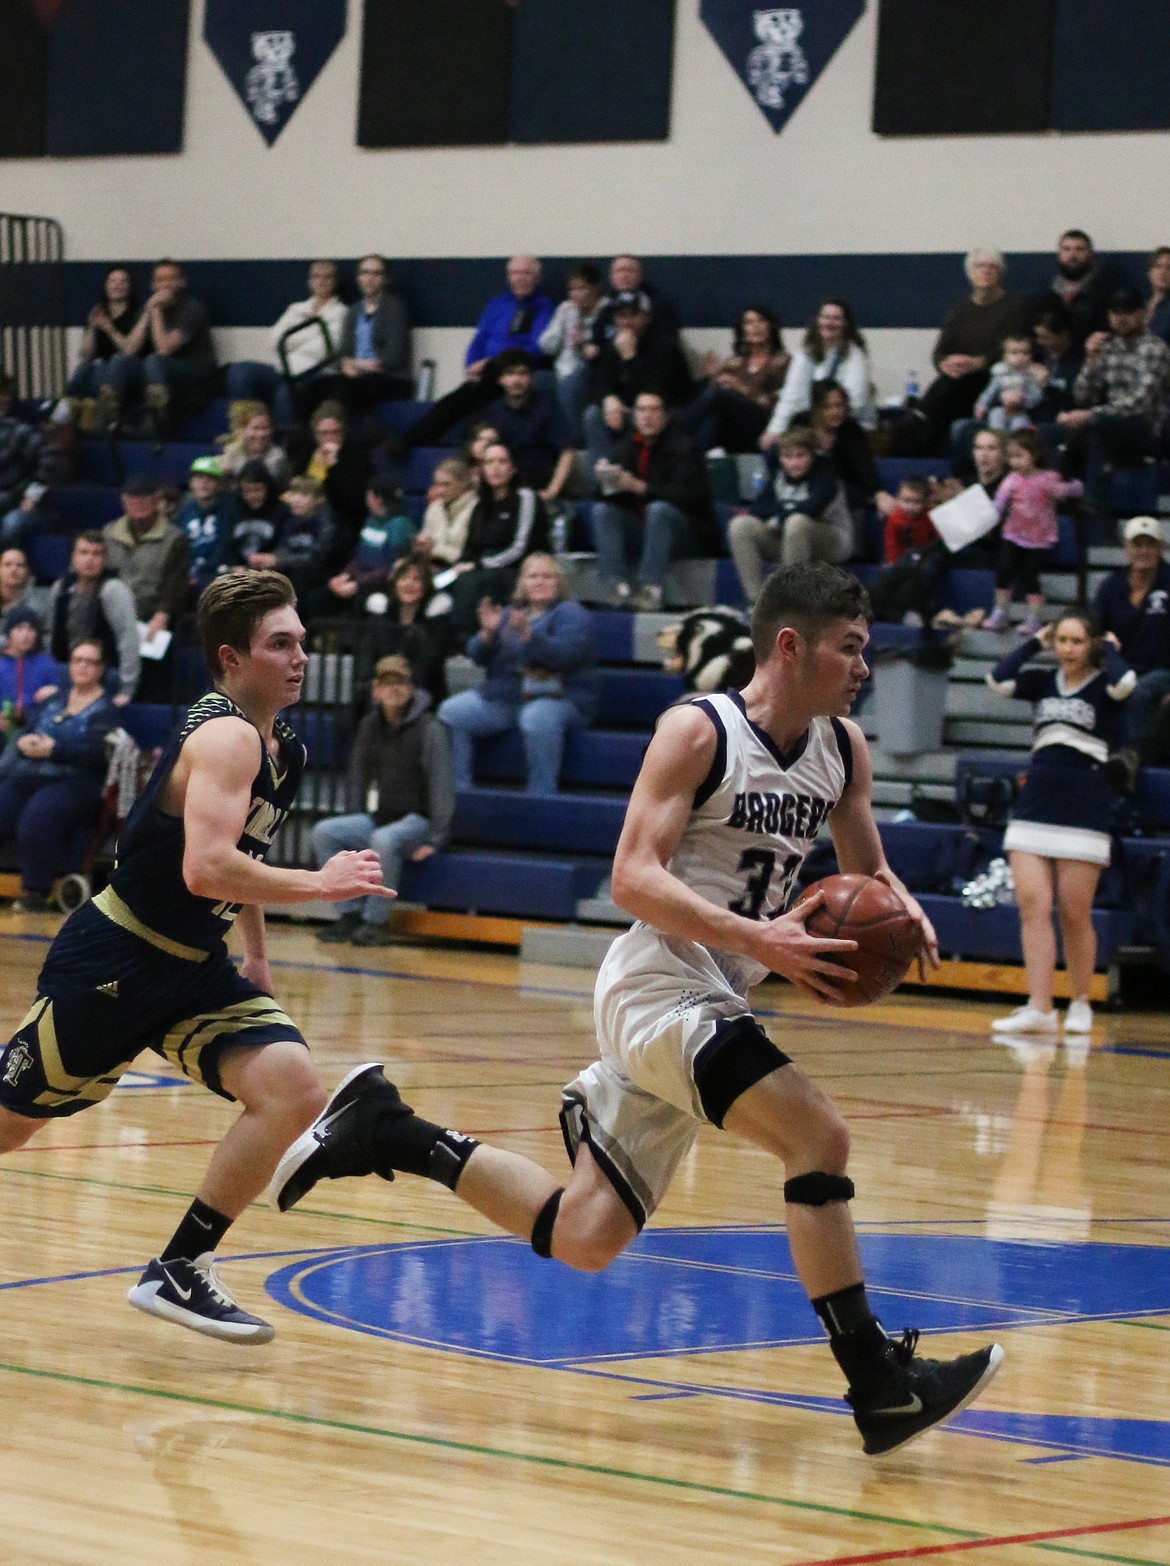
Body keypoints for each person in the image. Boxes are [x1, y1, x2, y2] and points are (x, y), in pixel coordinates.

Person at [271, 561, 1004, 1458]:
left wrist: (903, 902)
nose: (863, 666)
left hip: (718, 995)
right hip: (656, 984)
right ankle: (879, 1384)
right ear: (790, 645)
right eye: (849, 648)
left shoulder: (842, 747)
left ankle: (388, 1131)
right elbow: (633, 876)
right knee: (819, 1139)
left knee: (584, 1235)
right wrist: (759, 935)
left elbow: (866, 869)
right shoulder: (698, 732)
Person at [0, 571, 391, 1341]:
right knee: (10, 1129)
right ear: (231, 657)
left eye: (302, 641)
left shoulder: (282, 747)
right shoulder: (225, 737)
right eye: (280, 643)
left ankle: (180, 1269)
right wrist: (320, 883)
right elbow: (205, 867)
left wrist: (256, 956)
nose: (299, 657)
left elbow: (238, 860)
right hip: (115, 959)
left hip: (190, 965)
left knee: (291, 1086)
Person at [986, 613, 1134, 1037]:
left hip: (1084, 807)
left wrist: (1112, 652)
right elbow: (997, 679)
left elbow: (1126, 685)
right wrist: (1035, 642)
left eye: (1077, 641)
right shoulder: (1041, 682)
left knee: (1074, 913)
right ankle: (1040, 1007)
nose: (1068, 648)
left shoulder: (1106, 687)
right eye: (1062, 640)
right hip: (1035, 806)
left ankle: (1081, 1000)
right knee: (1033, 907)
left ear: (1091, 645)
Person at [312, 653, 453, 947]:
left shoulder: (431, 729)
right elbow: (357, 777)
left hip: (418, 820)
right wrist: (355, 814)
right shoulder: (368, 725)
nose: (394, 689)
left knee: (384, 840)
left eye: (401, 682)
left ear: (412, 687)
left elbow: (442, 787)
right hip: (378, 817)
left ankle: (376, 922)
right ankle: (348, 914)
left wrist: (436, 839)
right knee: (325, 832)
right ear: (376, 690)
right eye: (387, 682)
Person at [438, 553, 596, 793]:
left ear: (558, 582)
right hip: (511, 696)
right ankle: (460, 792)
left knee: (536, 717)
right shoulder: (513, 612)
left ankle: (541, 796)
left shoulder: (572, 614)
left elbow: (567, 655)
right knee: (452, 712)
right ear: (523, 582)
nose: (539, 582)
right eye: (533, 576)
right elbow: (477, 656)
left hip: (562, 696)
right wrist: (487, 634)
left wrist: (530, 637)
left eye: (547, 576)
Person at [0, 637, 116, 911]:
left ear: (101, 669)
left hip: (80, 781)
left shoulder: (106, 710)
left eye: (91, 662)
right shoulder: (54, 699)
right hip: (35, 774)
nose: (83, 666)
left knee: (40, 813)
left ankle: (36, 893)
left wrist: (56, 749)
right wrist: (22, 741)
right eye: (78, 660)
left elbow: (100, 754)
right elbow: (29, 726)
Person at [885, 250, 1024, 457]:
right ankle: (916, 444)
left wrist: (979, 362)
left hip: (993, 382)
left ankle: (912, 426)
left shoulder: (1013, 309)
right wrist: (945, 363)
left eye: (991, 266)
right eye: (980, 266)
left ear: (1000, 273)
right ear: (970, 273)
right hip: (958, 379)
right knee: (947, 385)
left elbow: (1013, 349)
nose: (985, 271)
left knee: (945, 392)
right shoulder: (960, 310)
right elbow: (939, 352)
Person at [591, 390, 716, 611]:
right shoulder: (624, 447)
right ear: (634, 415)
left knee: (658, 511)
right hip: (643, 532)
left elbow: (689, 497)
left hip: (685, 534)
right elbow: (605, 498)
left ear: (666, 415)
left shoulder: (686, 447)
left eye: (654, 410)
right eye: (641, 410)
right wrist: (606, 482)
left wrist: (640, 487)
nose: (647, 416)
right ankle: (616, 587)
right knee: (602, 511)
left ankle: (650, 589)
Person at [1057, 286, 1170, 523]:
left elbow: (1140, 403)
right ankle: (1058, 500)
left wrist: (1090, 415)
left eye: (1128, 312)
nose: (1120, 318)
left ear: (1141, 314)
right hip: (1108, 427)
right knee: (1051, 432)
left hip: (1145, 431)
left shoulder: (1155, 348)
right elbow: (1082, 396)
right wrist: (1090, 358)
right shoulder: (1106, 346)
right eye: (1115, 312)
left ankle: (1092, 507)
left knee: (1098, 423)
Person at [729, 430, 851, 605]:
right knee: (740, 525)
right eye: (788, 457)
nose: (794, 463)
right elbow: (758, 509)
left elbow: (813, 507)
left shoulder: (825, 473)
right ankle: (756, 602)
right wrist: (780, 515)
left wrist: (780, 516)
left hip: (832, 538)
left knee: (797, 521)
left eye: (800, 456)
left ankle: (790, 603)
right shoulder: (777, 475)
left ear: (812, 455)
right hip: (789, 536)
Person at [1091, 516, 1170, 780]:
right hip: (1120, 668)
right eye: (1138, 545)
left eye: (1150, 545)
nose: (1143, 551)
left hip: (1162, 671)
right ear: (1126, 547)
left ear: (1163, 547)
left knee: (1140, 692)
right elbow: (1094, 629)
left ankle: (1136, 766)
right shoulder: (1111, 586)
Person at [983, 429, 1082, 636]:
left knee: (1031, 576)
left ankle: (1034, 617)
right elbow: (998, 505)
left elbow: (1078, 488)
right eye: (1011, 457)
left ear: (1034, 455)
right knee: (1003, 569)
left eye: (1020, 456)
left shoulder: (1048, 478)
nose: (1015, 462)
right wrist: (986, 522)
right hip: (1013, 534)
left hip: (1038, 539)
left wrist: (1065, 490)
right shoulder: (1011, 480)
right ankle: (1001, 611)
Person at [100, 259, 216, 434]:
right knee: (119, 361)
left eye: (170, 279)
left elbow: (165, 349)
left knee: (155, 360)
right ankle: (111, 422)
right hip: (158, 372)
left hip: (194, 374)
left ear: (181, 282)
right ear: (153, 284)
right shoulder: (150, 306)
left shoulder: (192, 309)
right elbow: (129, 349)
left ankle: (156, 422)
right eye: (160, 280)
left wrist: (156, 311)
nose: (165, 284)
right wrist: (148, 313)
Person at [226, 259, 347, 424]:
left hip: (317, 374)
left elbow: (324, 349)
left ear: (335, 282)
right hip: (282, 370)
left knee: (285, 393)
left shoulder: (341, 312)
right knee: (239, 372)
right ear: (310, 282)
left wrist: (290, 341)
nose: (321, 281)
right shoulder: (296, 308)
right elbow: (275, 340)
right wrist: (313, 332)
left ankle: (284, 443)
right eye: (316, 276)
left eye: (327, 277)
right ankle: (248, 429)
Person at [102, 475, 191, 698]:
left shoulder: (175, 538)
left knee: (155, 667)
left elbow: (176, 584)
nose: (139, 506)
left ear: (156, 501)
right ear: (124, 502)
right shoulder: (109, 534)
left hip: (151, 616)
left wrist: (163, 614)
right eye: (133, 500)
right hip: (112, 617)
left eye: (145, 500)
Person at [447, 440, 548, 635]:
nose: (495, 468)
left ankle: (466, 641)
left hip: (516, 569)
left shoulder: (525, 498)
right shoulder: (480, 505)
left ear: (513, 468)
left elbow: (520, 548)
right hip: (481, 567)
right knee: (438, 581)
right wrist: (458, 566)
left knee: (470, 581)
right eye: (489, 462)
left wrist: (479, 565)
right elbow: (470, 548)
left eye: (502, 462)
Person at [585, 293, 693, 468]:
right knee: (593, 415)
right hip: (626, 411)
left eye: (632, 315)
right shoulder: (614, 345)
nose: (626, 322)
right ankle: (602, 483)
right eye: (621, 316)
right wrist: (608, 398)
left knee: (645, 413)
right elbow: (600, 383)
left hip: (663, 412)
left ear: (646, 317)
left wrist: (630, 359)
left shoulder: (665, 347)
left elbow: (656, 392)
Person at [680, 305, 790, 453]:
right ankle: (699, 464)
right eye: (749, 322)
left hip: (763, 424)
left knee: (718, 397)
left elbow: (777, 404)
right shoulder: (735, 363)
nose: (755, 327)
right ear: (742, 330)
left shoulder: (782, 362)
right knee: (713, 421)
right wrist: (714, 377)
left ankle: (673, 430)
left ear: (771, 326)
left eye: (761, 321)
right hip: (733, 430)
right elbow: (711, 401)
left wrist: (742, 389)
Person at [46, 531, 140, 703]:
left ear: (105, 559)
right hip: (67, 669)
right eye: (84, 553)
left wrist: (127, 689)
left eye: (96, 554)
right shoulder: (60, 588)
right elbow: (49, 634)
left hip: (104, 674)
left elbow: (128, 640)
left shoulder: (113, 590)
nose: (89, 559)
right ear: (73, 556)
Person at [762, 298, 875, 440]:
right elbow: (792, 396)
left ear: (846, 324)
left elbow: (856, 403)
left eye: (836, 318)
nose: (829, 323)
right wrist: (775, 430)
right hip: (812, 424)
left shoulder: (855, 356)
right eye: (825, 317)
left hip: (850, 426)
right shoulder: (805, 354)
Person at [321, 255, 412, 418]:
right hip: (358, 374)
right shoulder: (354, 310)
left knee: (348, 388)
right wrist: (348, 365)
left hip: (389, 378)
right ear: (358, 278)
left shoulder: (394, 308)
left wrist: (358, 365)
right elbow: (343, 353)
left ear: (385, 279)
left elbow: (395, 358)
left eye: (376, 274)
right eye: (365, 273)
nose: (370, 279)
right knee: (316, 388)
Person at [480, 349, 574, 500]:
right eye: (510, 373)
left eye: (522, 374)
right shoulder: (493, 411)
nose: (516, 380)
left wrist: (551, 492)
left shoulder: (547, 406)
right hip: (505, 487)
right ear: (501, 379)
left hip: (539, 486)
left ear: (531, 378)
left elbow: (567, 453)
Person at [317, 478, 417, 617]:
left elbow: (391, 567)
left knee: (361, 600)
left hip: (382, 584)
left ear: (377, 499)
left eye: (368, 495)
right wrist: (344, 576)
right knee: (320, 597)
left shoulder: (400, 525)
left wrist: (358, 584)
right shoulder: (371, 521)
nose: (366, 499)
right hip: (362, 579)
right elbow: (358, 557)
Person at [538, 262, 605, 439]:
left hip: (591, 370)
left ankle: (574, 444)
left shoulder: (606, 309)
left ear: (596, 288)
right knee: (535, 381)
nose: (576, 294)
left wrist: (586, 342)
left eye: (582, 288)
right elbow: (546, 347)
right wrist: (562, 330)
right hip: (562, 368)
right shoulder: (565, 309)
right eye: (572, 289)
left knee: (570, 383)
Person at [287, 401, 372, 540]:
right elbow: (295, 486)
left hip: (342, 523)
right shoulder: (306, 455)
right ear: (315, 434)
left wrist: (333, 469)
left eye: (335, 432)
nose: (329, 438)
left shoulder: (357, 457)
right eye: (323, 433)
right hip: (304, 519)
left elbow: (354, 501)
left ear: (343, 432)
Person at [67, 265, 143, 419]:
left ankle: (102, 418)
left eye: (123, 282)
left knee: (115, 361)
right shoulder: (100, 312)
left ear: (130, 287)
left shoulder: (138, 315)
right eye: (113, 281)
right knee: (84, 368)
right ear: (106, 286)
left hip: (131, 369)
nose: (117, 286)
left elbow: (129, 350)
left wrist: (109, 329)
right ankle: (66, 412)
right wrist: (93, 328)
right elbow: (86, 355)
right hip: (103, 371)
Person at [0, 607, 60, 753]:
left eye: (31, 629)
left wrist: (55, 691)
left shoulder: (46, 664)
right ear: (9, 633)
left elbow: (61, 702)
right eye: (20, 628)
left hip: (34, 725)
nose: (26, 635)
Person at [176, 455, 236, 596]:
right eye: (199, 478)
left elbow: (224, 547)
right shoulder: (184, 512)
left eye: (210, 479)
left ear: (219, 484)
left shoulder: (229, 511)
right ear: (191, 483)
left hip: (216, 574)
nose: (204, 483)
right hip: (186, 573)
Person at [415, 458, 478, 569]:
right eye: (437, 484)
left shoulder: (477, 509)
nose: (440, 490)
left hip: (461, 569)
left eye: (446, 484)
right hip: (431, 566)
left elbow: (466, 554)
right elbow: (425, 541)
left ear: (463, 483)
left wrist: (434, 549)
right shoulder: (434, 508)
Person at [220, 405, 291, 488]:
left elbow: (258, 484)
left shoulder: (277, 455)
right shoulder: (231, 450)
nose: (261, 434)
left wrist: (230, 472)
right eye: (255, 428)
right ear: (244, 429)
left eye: (265, 428)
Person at [1144, 246, 1170, 349]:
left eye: (1169, 268)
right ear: (1149, 272)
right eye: (1158, 266)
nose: (1163, 272)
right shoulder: (1140, 302)